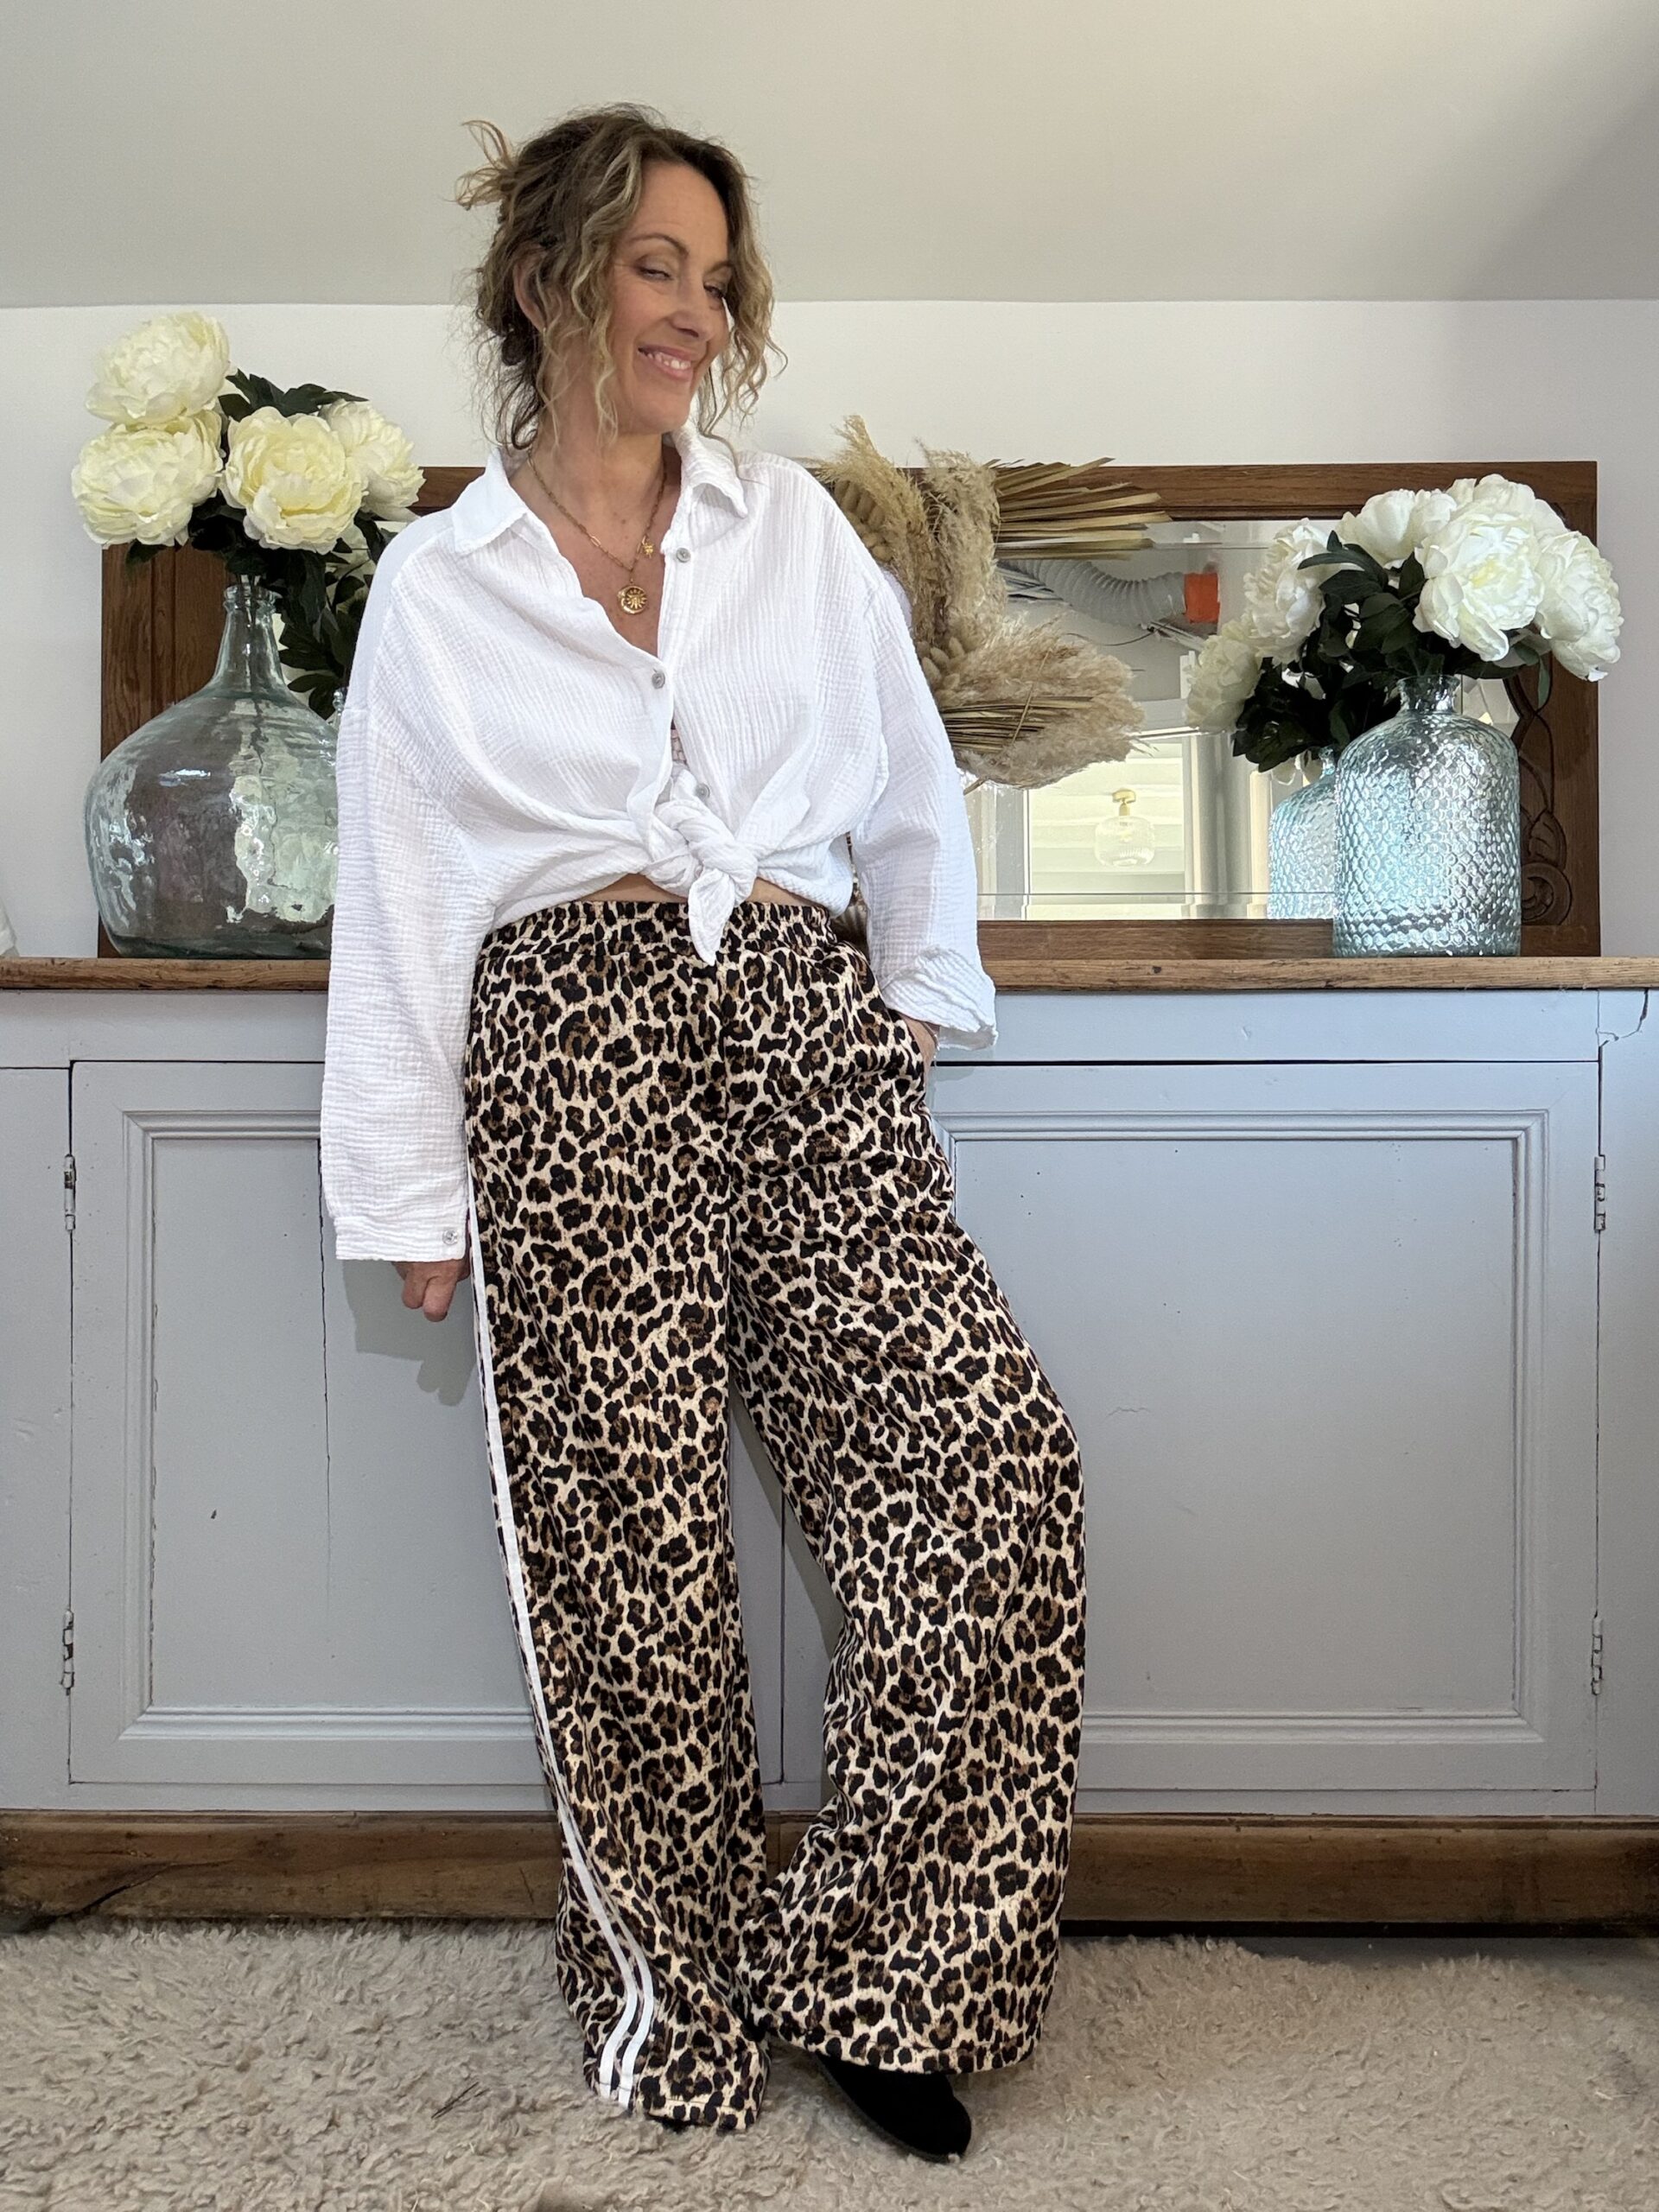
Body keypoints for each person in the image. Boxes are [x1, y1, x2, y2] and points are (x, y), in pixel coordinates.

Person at [319, 102, 1086, 2164]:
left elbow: (905, 781)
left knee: (984, 1465)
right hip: (570, 1046)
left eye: (717, 277)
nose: (694, 311)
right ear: (544, 279)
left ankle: (888, 1974)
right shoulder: (438, 586)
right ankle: (680, 1981)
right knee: (633, 1551)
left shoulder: (792, 535)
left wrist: (908, 999)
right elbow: (398, 903)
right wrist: (408, 1188)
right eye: (654, 264)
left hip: (804, 1019)